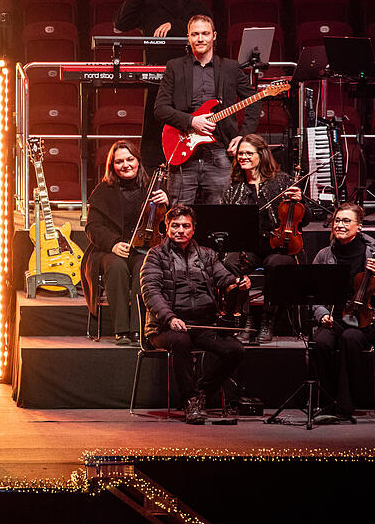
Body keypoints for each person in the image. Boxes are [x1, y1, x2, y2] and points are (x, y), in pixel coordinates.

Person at [141, 205, 250, 424]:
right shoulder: (155, 256)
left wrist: (238, 283)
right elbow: (150, 291)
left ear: (193, 229)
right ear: (167, 227)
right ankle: (190, 399)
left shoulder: (207, 255)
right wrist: (170, 318)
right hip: (164, 327)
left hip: (203, 324)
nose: (180, 230)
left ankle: (200, 393)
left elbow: (224, 278)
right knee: (181, 341)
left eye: (185, 226)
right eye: (175, 226)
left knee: (235, 350)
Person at [115, 0, 212, 172]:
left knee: (189, 140)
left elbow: (211, 33)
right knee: (154, 140)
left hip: (190, 82)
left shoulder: (198, 6)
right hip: (158, 79)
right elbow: (120, 24)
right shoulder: (151, 0)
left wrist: (177, 27)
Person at [154, 15, 261, 205]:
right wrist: (191, 121)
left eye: (205, 33)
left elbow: (253, 101)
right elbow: (160, 109)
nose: (200, 38)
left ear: (214, 36)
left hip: (219, 151)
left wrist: (243, 136)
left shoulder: (230, 67)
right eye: (195, 34)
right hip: (183, 150)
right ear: (188, 37)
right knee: (179, 213)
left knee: (220, 213)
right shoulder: (175, 67)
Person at [220, 134, 308, 343]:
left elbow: (304, 219)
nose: (243, 157)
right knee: (231, 262)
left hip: (278, 245)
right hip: (248, 246)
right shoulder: (234, 187)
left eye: (249, 153)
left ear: (262, 155)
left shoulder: (281, 181)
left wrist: (300, 200)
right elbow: (227, 223)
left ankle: (268, 319)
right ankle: (247, 319)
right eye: (240, 154)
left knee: (277, 264)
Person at [83, 141, 168, 345]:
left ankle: (138, 329)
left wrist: (168, 203)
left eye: (130, 159)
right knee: (116, 267)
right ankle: (121, 330)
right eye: (119, 161)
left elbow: (172, 224)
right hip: (109, 250)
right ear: (112, 166)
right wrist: (113, 244)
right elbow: (92, 227)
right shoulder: (103, 190)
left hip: (144, 249)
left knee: (144, 267)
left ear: (138, 161)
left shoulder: (153, 188)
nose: (125, 165)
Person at [310, 203, 375, 424]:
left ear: (359, 227)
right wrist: (321, 315)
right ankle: (327, 401)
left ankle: (345, 404)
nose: (340, 225)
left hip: (364, 321)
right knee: (321, 343)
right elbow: (313, 294)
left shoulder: (372, 253)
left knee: (350, 339)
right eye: (338, 220)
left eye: (346, 221)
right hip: (334, 317)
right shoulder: (324, 255)